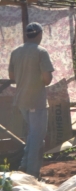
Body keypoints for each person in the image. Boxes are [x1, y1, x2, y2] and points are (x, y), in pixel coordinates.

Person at [8, 22, 54, 177]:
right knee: (37, 136)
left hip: (21, 100)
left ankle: (24, 165)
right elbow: (47, 79)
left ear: (26, 35)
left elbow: (12, 77)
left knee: (32, 134)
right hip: (36, 100)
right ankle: (32, 173)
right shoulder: (41, 52)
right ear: (40, 34)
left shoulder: (16, 52)